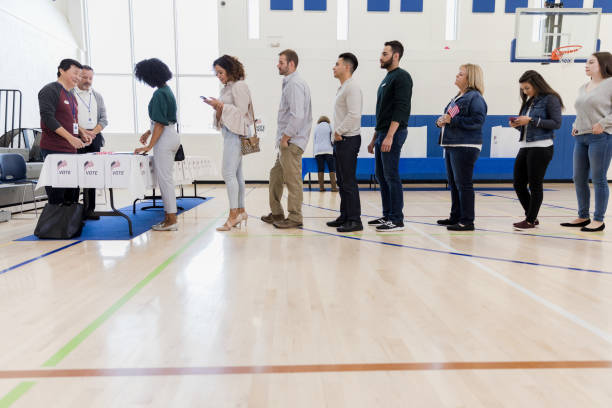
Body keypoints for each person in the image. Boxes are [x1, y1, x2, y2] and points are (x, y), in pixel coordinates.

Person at [261, 49, 312, 229]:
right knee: (275, 176)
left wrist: (286, 138)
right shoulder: (289, 83)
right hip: (285, 142)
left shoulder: (295, 84)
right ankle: (277, 213)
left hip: (291, 142)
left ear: (291, 64)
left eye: (281, 62)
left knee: (292, 180)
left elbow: (297, 115)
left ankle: (295, 216)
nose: (278, 64)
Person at [561, 52, 612, 232]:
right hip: (581, 136)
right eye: (586, 62)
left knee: (598, 178)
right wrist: (575, 125)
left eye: (591, 62)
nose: (586, 65)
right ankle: (583, 216)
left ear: (603, 64)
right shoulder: (584, 87)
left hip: (601, 137)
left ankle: (598, 220)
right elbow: (582, 111)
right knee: (578, 178)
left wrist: (603, 124)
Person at [366, 41, 412, 232]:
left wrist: (390, 136)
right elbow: (382, 112)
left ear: (395, 56)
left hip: (393, 133)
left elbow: (400, 109)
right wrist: (374, 138)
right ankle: (387, 215)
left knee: (391, 175)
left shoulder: (402, 77)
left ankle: (397, 219)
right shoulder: (387, 79)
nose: (381, 57)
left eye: (385, 54)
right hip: (383, 133)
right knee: (381, 175)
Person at [202, 55, 252, 231]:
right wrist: (216, 106)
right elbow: (225, 111)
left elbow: (242, 112)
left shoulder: (239, 86)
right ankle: (241, 211)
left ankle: (233, 215)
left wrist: (221, 106)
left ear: (230, 70)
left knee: (228, 173)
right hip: (230, 133)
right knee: (237, 174)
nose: (219, 76)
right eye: (216, 73)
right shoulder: (227, 88)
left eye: (221, 72)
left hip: (236, 134)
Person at [509, 70, 563, 230]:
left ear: (536, 84)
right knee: (518, 183)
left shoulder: (551, 99)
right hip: (526, 146)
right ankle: (531, 215)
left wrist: (532, 120)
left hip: (541, 147)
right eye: (523, 89)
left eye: (527, 88)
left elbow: (556, 123)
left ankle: (530, 220)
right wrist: (518, 125)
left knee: (535, 184)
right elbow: (527, 127)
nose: (525, 92)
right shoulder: (529, 102)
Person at [436, 63, 487, 231]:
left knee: (463, 183)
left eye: (461, 74)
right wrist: (441, 121)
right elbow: (451, 118)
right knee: (454, 182)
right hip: (452, 144)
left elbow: (477, 121)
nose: (457, 76)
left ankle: (467, 220)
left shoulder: (475, 98)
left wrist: (452, 120)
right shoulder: (458, 97)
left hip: (465, 145)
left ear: (470, 78)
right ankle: (456, 216)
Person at [133, 58, 180, 232]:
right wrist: (148, 132)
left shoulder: (160, 93)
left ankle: (171, 219)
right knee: (166, 179)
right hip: (170, 135)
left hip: (165, 138)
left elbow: (160, 124)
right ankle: (170, 217)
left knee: (165, 180)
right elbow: (161, 120)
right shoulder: (166, 90)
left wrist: (148, 146)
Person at [38, 58, 90, 205]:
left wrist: (81, 132)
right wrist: (70, 138)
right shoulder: (49, 90)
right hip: (54, 149)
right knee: (57, 194)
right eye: (75, 73)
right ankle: (56, 226)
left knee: (72, 194)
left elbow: (70, 119)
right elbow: (48, 119)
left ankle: (69, 224)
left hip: (71, 150)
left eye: (80, 75)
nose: (78, 78)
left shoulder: (71, 95)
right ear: (61, 70)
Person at [326, 52, 364, 233]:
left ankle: (355, 220)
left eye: (337, 64)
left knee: (348, 181)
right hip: (341, 140)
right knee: (341, 181)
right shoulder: (342, 88)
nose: (334, 67)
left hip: (348, 139)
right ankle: (345, 216)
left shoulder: (352, 88)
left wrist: (339, 131)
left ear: (347, 67)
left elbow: (354, 115)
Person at [74, 65, 108, 220]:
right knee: (74, 175)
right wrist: (82, 132)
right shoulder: (70, 94)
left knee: (91, 174)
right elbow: (69, 119)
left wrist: (92, 133)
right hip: (75, 137)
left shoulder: (97, 96)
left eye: (90, 78)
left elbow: (104, 119)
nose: (87, 81)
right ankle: (73, 209)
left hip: (94, 139)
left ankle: (90, 209)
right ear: (78, 76)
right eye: (84, 77)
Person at [312, 116, 337, 192]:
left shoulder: (316, 127)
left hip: (318, 151)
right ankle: (333, 188)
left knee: (320, 169)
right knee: (331, 168)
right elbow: (333, 138)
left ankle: (321, 188)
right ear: (327, 120)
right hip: (328, 150)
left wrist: (314, 153)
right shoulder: (329, 126)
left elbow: (314, 140)